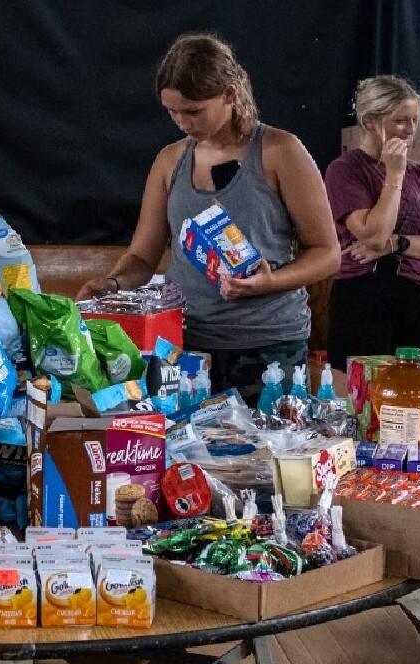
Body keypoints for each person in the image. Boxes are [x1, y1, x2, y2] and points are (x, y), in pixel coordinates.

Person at [77, 34, 340, 405]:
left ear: (230, 95)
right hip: (184, 347)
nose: (182, 121)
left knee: (263, 455)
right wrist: (112, 283)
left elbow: (328, 253)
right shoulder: (169, 161)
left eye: (193, 111)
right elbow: (141, 258)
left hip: (268, 345)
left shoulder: (281, 151)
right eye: (172, 111)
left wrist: (269, 282)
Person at [324, 75, 420, 371]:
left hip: (419, 298)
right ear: (370, 121)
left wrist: (399, 243)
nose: (410, 130)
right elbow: (374, 236)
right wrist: (394, 175)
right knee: (361, 403)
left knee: (414, 399)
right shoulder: (345, 170)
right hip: (363, 296)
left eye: (415, 120)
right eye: (400, 121)